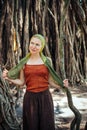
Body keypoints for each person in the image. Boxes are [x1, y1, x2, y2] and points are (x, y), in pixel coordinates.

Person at [2, 34, 68, 130]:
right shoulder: (23, 62)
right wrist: (8, 78)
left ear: (42, 47)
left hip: (45, 98)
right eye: (32, 43)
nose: (33, 46)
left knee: (46, 125)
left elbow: (50, 82)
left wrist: (62, 85)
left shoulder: (47, 61)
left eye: (37, 44)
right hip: (30, 98)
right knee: (31, 125)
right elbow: (21, 82)